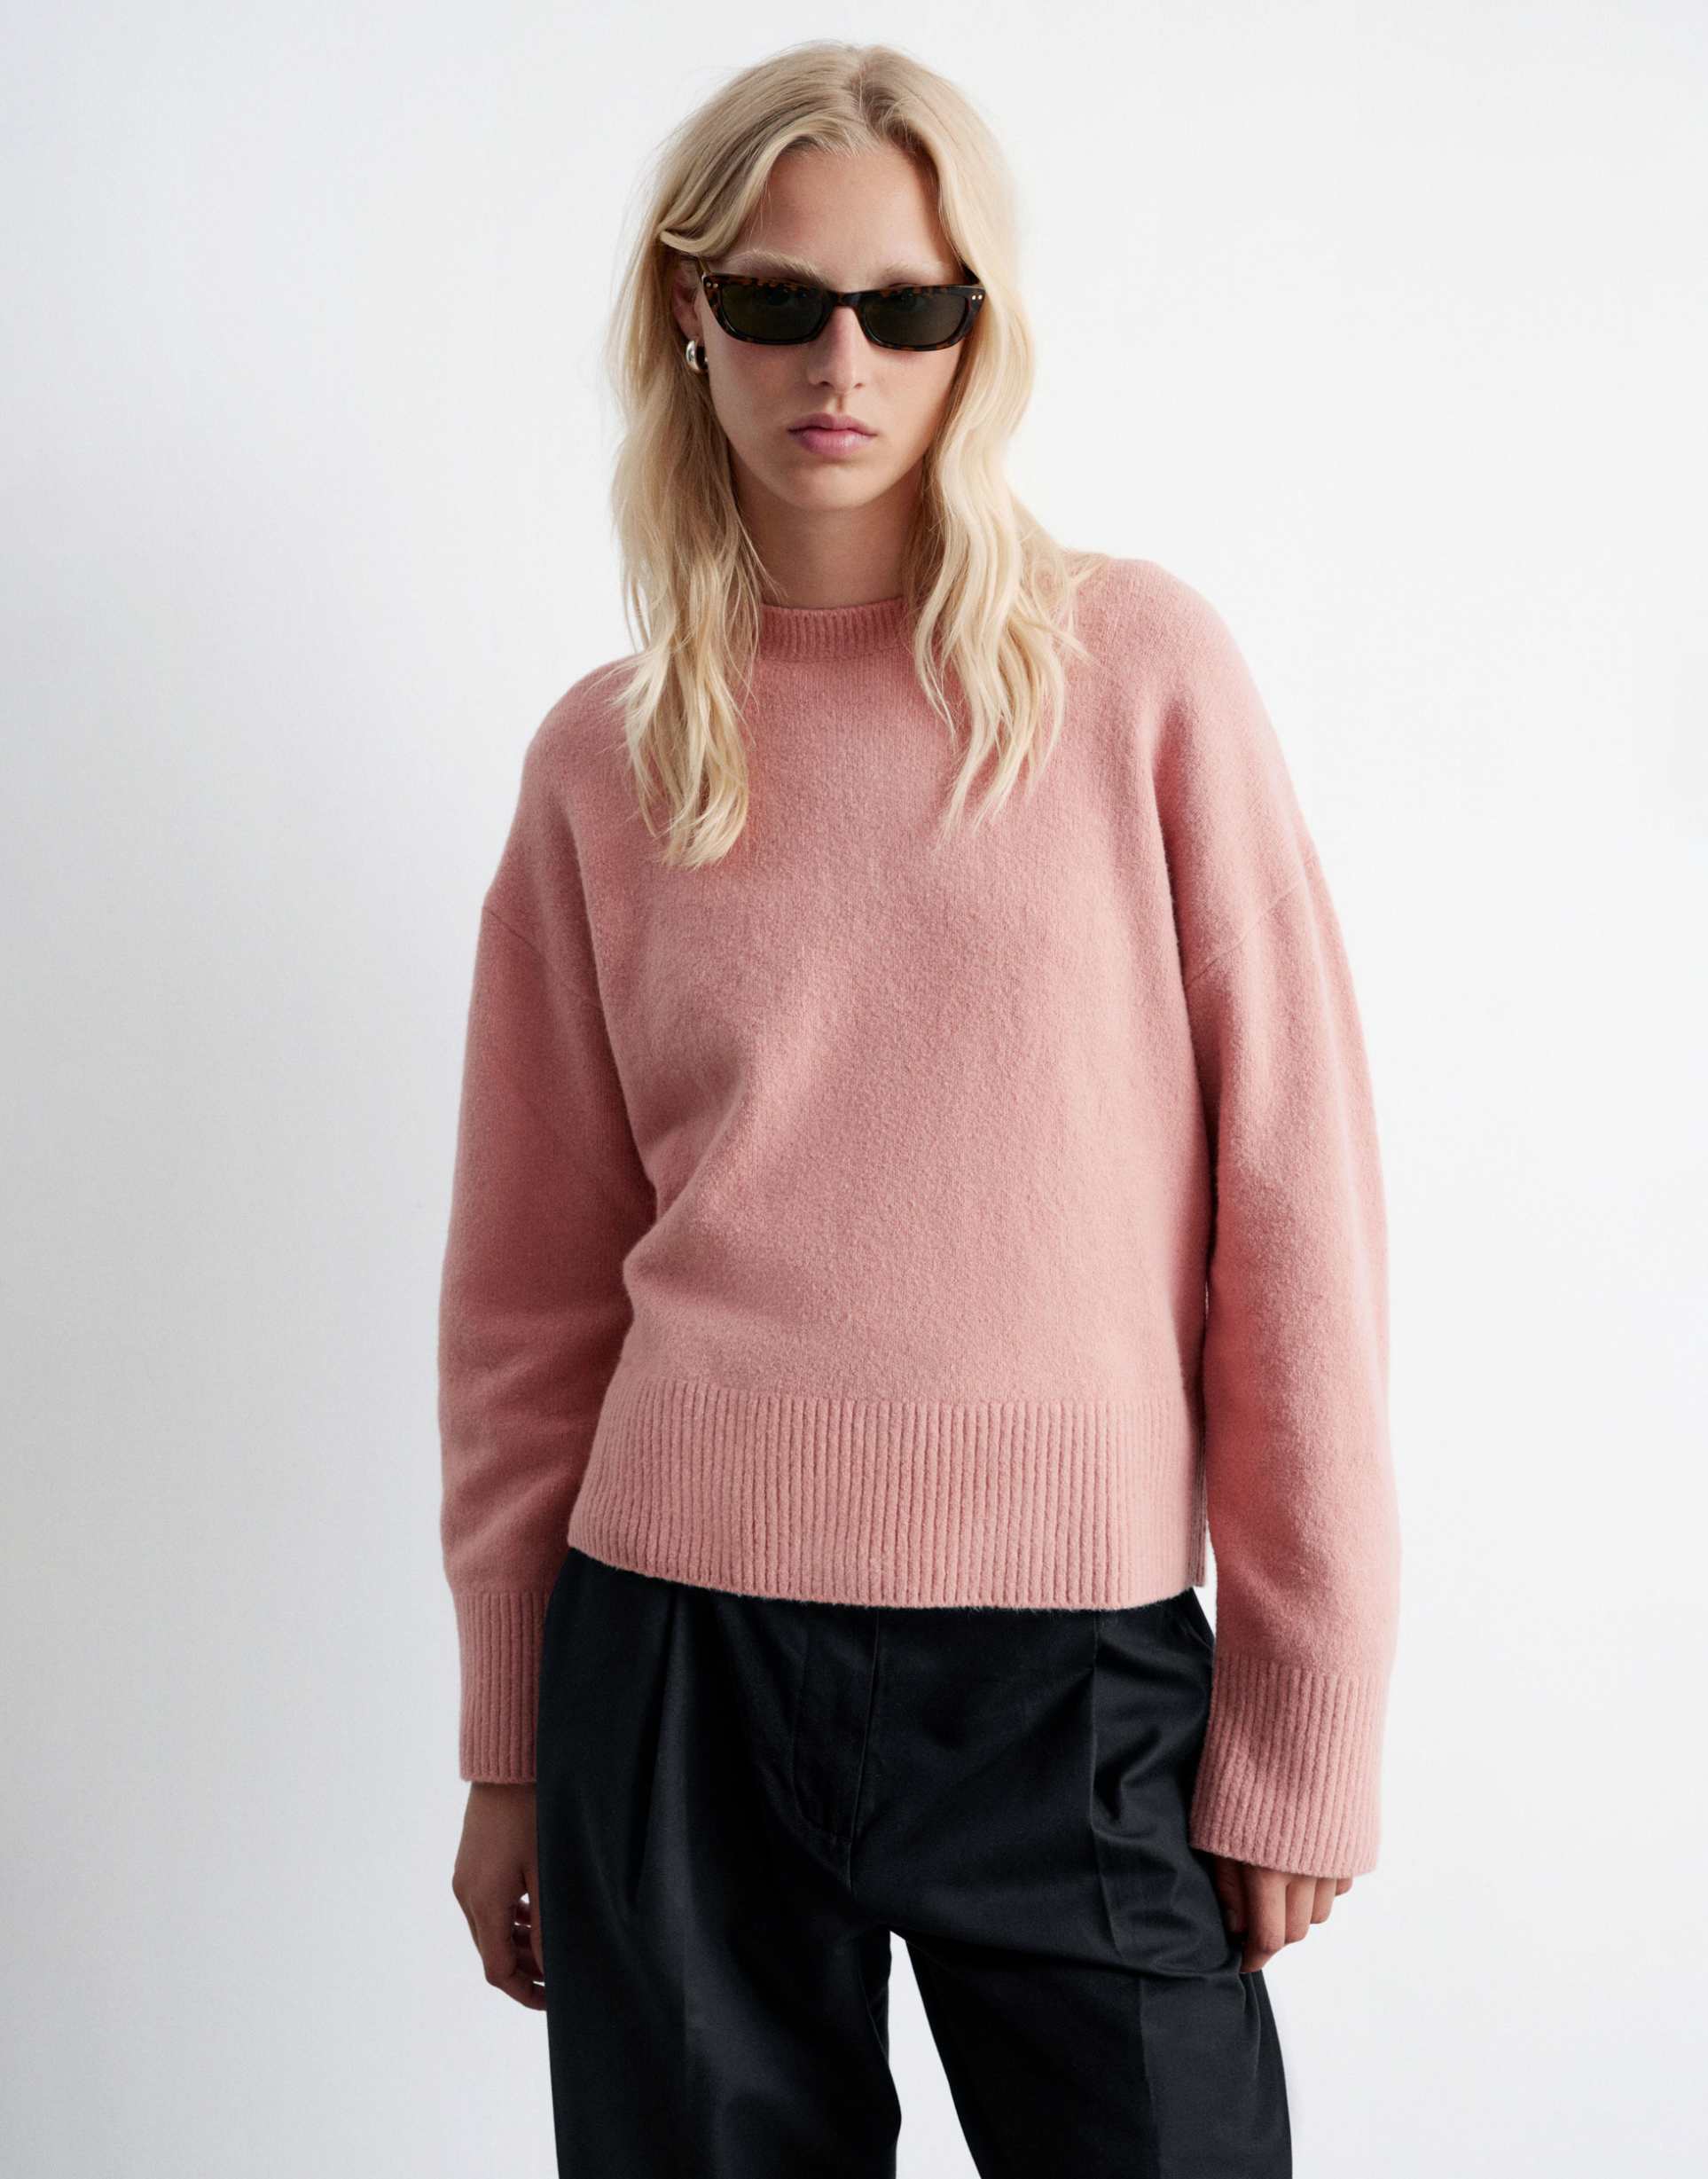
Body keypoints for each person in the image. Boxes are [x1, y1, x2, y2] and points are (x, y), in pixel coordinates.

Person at [437, 38, 1400, 2178]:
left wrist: (1304, 1708)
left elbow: (1296, 1209)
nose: (842, 360)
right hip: (674, 1668)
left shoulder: (1135, 675)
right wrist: (509, 1745)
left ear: (984, 327)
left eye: (910, 305)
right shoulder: (607, 759)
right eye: (779, 300)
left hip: (1072, 1679)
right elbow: (524, 1307)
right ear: (690, 315)